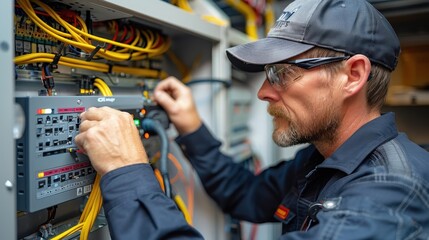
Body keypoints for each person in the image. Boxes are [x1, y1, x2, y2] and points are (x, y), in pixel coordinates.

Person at [75, 0, 429, 239]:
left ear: (352, 75)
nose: (263, 92)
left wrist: (127, 173)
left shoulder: (386, 197)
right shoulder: (324, 159)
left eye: (281, 73)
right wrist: (192, 128)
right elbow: (246, 194)